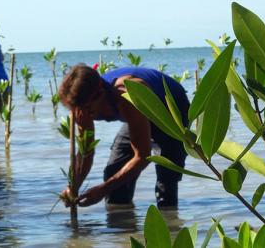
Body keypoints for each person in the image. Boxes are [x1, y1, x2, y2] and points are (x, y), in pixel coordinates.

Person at [59, 64, 189, 208]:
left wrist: (103, 189)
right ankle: (124, 228)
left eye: (88, 109)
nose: (84, 115)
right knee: (113, 174)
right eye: (78, 109)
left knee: (166, 182)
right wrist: (73, 186)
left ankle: (171, 225)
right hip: (137, 114)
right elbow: (86, 152)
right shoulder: (82, 108)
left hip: (171, 112)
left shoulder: (127, 96)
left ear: (101, 92)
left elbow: (142, 157)